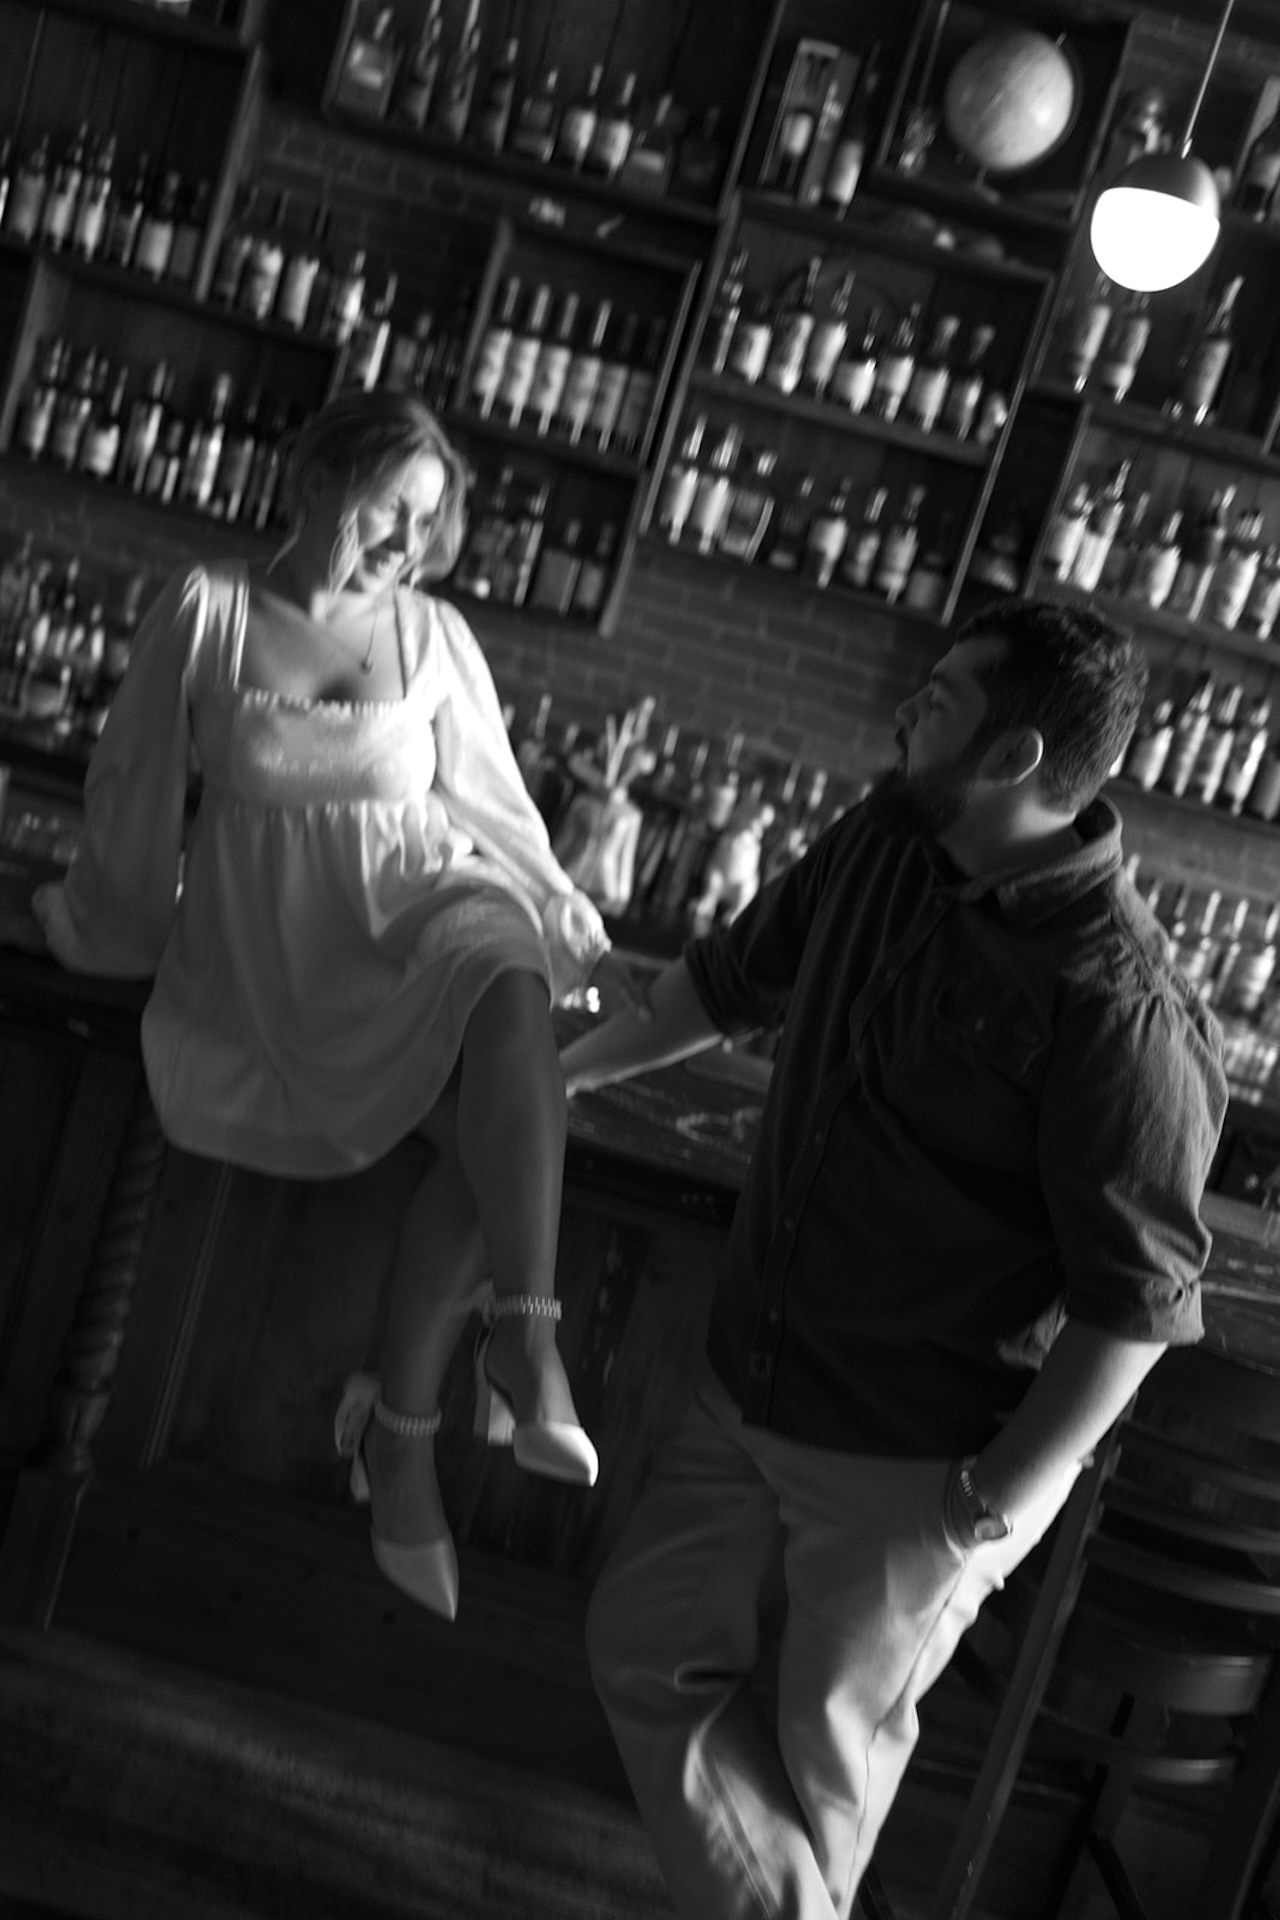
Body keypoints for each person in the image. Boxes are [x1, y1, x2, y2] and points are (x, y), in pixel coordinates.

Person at [559, 599, 1227, 1920]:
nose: (909, 706)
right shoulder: (886, 833)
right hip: (749, 1377)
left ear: (1015, 760)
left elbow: (1135, 1307)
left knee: (824, 1771)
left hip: (914, 1458)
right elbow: (729, 978)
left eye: (943, 694)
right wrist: (556, 1074)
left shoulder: (1120, 998)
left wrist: (995, 1506)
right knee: (641, 1647)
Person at [24, 388, 636, 1625]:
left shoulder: (433, 636)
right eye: (385, 506)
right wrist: (111, 919)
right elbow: (136, 782)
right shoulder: (209, 611)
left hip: (426, 908)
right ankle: (399, 1434)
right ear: (312, 478)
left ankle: (524, 1340)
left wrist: (567, 911)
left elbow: (493, 808)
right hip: (279, 949)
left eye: (428, 518)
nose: (406, 540)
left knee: (510, 968)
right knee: (502, 1144)